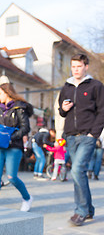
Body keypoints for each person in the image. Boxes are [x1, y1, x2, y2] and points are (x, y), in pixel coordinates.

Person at [58, 53, 104, 226]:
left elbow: (102, 111)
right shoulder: (66, 87)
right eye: (73, 66)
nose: (75, 70)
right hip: (70, 136)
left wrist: (94, 134)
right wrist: (63, 108)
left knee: (77, 171)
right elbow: (61, 110)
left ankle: (81, 211)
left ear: (86, 67)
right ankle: (89, 209)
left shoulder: (96, 86)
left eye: (78, 66)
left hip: (87, 136)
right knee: (80, 174)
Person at [0, 83, 33, 211]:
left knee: (12, 177)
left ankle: (27, 198)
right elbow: (1, 129)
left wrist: (11, 138)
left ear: (8, 93)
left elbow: (25, 128)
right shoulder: (1, 109)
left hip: (14, 146)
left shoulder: (20, 108)